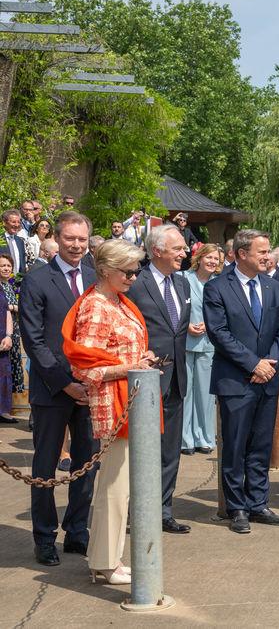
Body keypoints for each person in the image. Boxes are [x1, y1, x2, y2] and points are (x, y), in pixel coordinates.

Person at [63, 239, 159, 585]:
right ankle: (105, 562)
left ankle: (107, 559)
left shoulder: (118, 302)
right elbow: (84, 367)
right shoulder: (97, 307)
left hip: (131, 404)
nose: (135, 277)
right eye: (128, 271)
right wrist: (131, 366)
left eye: (137, 270)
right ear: (105, 271)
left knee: (122, 488)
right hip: (114, 407)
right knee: (114, 489)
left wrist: (139, 362)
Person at [19, 211, 98, 566]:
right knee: (45, 465)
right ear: (58, 239)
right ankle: (44, 537)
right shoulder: (37, 280)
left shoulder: (97, 278)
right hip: (52, 389)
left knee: (87, 463)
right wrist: (65, 383)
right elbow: (34, 339)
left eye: (82, 240)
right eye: (70, 239)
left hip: (92, 388)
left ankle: (77, 532)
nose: (77, 246)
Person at [203, 229, 279, 534]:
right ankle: (237, 507)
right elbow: (219, 333)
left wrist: (270, 362)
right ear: (242, 254)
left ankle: (258, 503)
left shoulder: (274, 286)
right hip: (235, 380)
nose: (268, 257)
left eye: (268, 252)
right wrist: (253, 364)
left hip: (267, 379)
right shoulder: (217, 288)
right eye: (262, 252)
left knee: (261, 446)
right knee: (236, 446)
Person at [126, 224, 191, 535]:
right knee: (140, 450)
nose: (185, 252)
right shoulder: (135, 284)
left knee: (169, 450)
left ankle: (163, 511)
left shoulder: (182, 284)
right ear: (157, 251)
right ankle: (135, 511)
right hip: (145, 381)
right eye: (178, 248)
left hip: (176, 379)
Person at [180, 243, 223, 455]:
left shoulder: (220, 283)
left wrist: (210, 324)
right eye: (209, 257)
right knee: (186, 392)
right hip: (186, 340)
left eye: (216, 259)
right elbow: (176, 307)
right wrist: (186, 324)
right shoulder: (183, 278)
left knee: (206, 394)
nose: (213, 262)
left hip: (209, 343)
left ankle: (205, 437)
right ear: (200, 257)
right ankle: (185, 438)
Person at [0, 254, 24, 407]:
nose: (6, 268)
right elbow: (6, 306)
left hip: (13, 331)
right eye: (3, 266)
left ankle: (5, 409)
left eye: (9, 266)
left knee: (10, 370)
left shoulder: (10, 285)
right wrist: (14, 307)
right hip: (3, 331)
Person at [1, 286, 14, 423]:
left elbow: (6, 311)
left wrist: (9, 335)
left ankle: (3, 411)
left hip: (2, 341)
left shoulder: (1, 288)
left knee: (3, 377)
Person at [1, 209, 27, 275]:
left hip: (17, 282)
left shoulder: (20, 241)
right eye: (13, 222)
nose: (16, 225)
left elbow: (22, 264)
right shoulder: (1, 239)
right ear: (4, 223)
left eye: (18, 222)